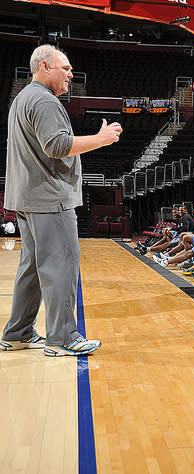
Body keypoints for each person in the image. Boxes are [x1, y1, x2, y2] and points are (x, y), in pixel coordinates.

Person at [0, 45, 122, 356]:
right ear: (44, 67)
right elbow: (56, 146)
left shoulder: (23, 99)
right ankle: (63, 337)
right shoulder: (44, 100)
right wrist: (100, 139)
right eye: (64, 68)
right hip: (49, 199)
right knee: (62, 266)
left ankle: (18, 333)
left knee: (33, 269)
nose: (70, 73)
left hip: (27, 198)